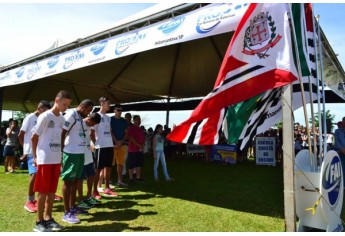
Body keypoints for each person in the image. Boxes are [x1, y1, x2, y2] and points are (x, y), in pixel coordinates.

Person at [31, 90, 72, 232]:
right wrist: (35, 156)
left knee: (51, 192)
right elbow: (34, 137)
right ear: (57, 100)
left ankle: (48, 218)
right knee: (42, 192)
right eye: (64, 104)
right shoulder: (45, 116)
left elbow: (59, 140)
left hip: (55, 160)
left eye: (67, 105)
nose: (65, 107)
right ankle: (39, 221)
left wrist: (60, 157)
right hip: (44, 159)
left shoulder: (62, 119)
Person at [60, 99, 94, 224]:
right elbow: (62, 132)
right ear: (83, 107)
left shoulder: (80, 117)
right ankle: (66, 212)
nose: (88, 114)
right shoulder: (71, 115)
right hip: (71, 153)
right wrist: (61, 151)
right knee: (68, 182)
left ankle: (73, 207)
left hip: (80, 153)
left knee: (76, 181)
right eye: (88, 111)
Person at [18, 100, 51, 213]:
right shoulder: (30, 117)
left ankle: (38, 197)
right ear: (39, 108)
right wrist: (25, 150)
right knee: (34, 174)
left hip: (40, 150)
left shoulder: (43, 118)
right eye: (45, 110)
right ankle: (29, 201)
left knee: (39, 174)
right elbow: (21, 135)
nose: (47, 113)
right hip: (31, 151)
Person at [91, 97, 118, 199]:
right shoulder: (96, 116)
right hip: (100, 147)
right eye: (108, 103)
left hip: (109, 146)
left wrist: (113, 142)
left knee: (109, 167)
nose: (109, 105)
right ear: (102, 103)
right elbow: (92, 132)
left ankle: (107, 188)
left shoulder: (108, 117)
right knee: (98, 169)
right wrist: (95, 143)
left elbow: (109, 131)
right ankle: (95, 191)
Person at [76, 112, 102, 208]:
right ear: (89, 119)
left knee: (92, 175)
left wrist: (92, 143)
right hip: (79, 155)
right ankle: (81, 199)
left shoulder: (89, 126)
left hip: (88, 154)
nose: (93, 126)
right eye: (93, 124)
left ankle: (88, 196)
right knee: (80, 178)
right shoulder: (79, 124)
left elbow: (89, 136)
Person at [110, 104, 129, 187]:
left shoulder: (124, 121)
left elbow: (126, 133)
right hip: (112, 145)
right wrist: (116, 141)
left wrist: (121, 142)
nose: (120, 112)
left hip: (122, 145)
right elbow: (110, 132)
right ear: (114, 110)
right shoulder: (110, 120)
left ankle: (120, 181)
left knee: (120, 163)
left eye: (121, 110)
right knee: (110, 164)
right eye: (118, 110)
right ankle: (108, 181)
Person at [127, 115, 145, 184]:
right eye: (137, 119)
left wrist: (142, 145)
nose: (139, 121)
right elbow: (131, 138)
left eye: (140, 119)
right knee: (131, 165)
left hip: (139, 150)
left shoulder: (140, 129)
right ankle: (131, 178)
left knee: (139, 164)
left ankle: (138, 177)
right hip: (132, 150)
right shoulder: (131, 128)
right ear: (134, 120)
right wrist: (138, 145)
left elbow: (143, 139)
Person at [334, 116, 345, 187]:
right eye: (343, 121)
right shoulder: (337, 131)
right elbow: (337, 142)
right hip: (341, 154)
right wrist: (341, 149)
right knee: (342, 170)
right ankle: (342, 186)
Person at [122, 112, 133, 177]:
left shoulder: (132, 125)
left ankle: (133, 171)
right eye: (127, 117)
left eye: (129, 117)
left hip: (131, 144)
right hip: (125, 143)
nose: (128, 118)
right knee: (124, 159)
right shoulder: (123, 124)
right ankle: (123, 172)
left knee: (131, 158)